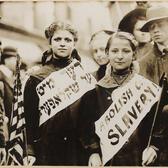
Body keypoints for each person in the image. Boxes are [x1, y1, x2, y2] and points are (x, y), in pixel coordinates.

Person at [78, 31, 159, 166]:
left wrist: (154, 147)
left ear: (134, 54)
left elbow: (157, 124)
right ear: (107, 53)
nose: (120, 56)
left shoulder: (145, 87)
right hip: (109, 159)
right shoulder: (94, 91)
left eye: (126, 51)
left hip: (140, 158)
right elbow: (86, 127)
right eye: (114, 51)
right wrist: (93, 152)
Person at [23, 20, 90, 165]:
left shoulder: (83, 75)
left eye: (68, 40)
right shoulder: (36, 77)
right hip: (47, 147)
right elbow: (29, 118)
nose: (62, 43)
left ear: (74, 44)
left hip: (77, 148)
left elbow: (89, 118)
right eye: (57, 39)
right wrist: (29, 150)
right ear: (50, 42)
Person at [139, 6, 168, 166]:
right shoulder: (143, 63)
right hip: (153, 141)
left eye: (160, 25)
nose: (156, 30)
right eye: (152, 27)